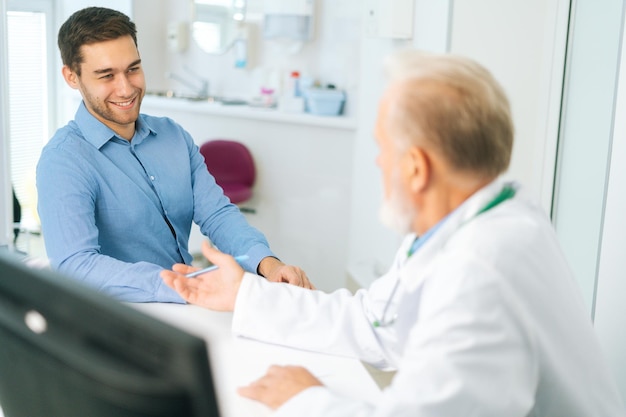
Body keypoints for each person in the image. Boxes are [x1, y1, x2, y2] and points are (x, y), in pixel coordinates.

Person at [161, 50, 625, 415]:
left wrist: (305, 398)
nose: (380, 162)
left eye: (383, 148)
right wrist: (246, 295)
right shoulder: (482, 223)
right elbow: (376, 322)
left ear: (417, 168)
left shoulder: (483, 271)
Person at [36, 7, 312, 304]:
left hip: (188, 304)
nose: (126, 88)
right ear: (71, 76)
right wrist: (182, 286)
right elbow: (77, 265)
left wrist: (268, 265)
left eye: (133, 69)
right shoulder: (63, 161)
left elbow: (217, 214)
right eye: (106, 75)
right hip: (123, 316)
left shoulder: (173, 136)